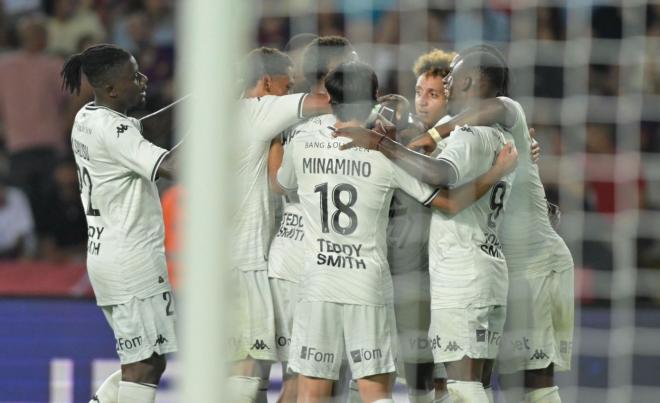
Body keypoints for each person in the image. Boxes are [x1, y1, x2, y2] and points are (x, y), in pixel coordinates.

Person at [281, 61, 517, 403]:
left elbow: (282, 184)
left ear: (329, 100)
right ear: (374, 98)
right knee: (376, 394)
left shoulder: (302, 139)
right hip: (367, 284)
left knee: (313, 394)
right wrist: (495, 172)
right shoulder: (384, 153)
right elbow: (449, 202)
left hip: (316, 281)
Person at [408, 45, 574, 403]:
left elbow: (495, 106)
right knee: (483, 378)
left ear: (468, 80)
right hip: (497, 268)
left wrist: (433, 135)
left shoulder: (505, 111)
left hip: (534, 264)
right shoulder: (478, 133)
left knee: (531, 384)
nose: (444, 87)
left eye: (448, 80)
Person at [61, 43, 180, 403]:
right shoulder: (115, 132)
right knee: (143, 365)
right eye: (134, 76)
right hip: (132, 259)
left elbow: (131, 137)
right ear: (111, 89)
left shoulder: (86, 116)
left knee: (148, 360)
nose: (143, 80)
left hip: (106, 255)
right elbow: (174, 168)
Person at [229, 46, 330, 403]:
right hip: (244, 262)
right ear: (268, 82)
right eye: (287, 87)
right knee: (245, 370)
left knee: (248, 374)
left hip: (224, 261)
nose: (289, 94)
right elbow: (324, 103)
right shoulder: (260, 110)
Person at [267, 36, 355, 403]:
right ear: (333, 69)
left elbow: (279, 182)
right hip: (307, 258)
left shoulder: (288, 113)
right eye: (352, 61)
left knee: (322, 379)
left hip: (316, 259)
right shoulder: (358, 120)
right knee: (303, 379)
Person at [384, 48, 455, 403]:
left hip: (448, 276)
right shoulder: (395, 136)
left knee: (448, 382)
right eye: (419, 92)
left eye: (434, 94)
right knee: (411, 379)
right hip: (403, 274)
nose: (423, 102)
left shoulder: (464, 142)